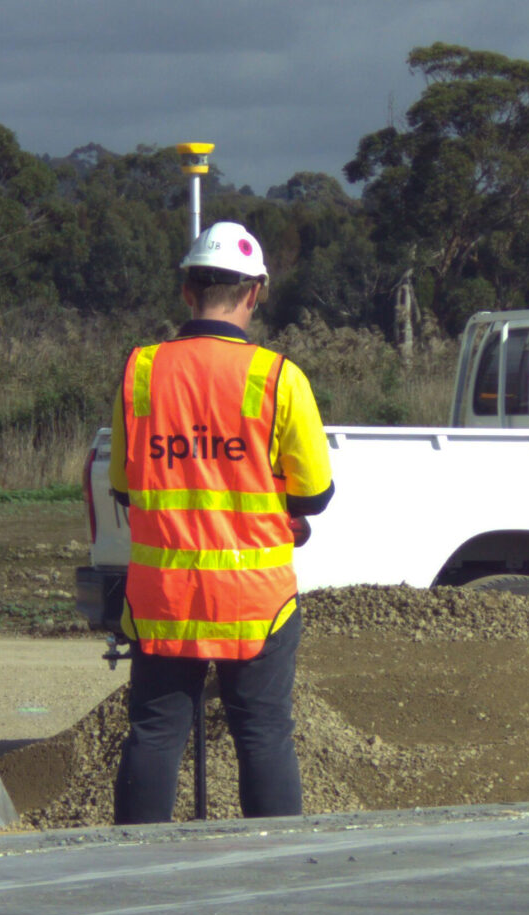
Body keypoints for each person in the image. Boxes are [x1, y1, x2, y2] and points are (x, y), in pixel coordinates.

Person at [109, 221, 334, 824]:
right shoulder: (279, 377)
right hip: (256, 599)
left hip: (165, 597)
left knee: (155, 734)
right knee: (262, 735)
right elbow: (314, 495)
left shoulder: (142, 371)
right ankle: (275, 875)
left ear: (187, 290)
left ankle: (130, 873)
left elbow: (126, 487)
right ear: (255, 292)